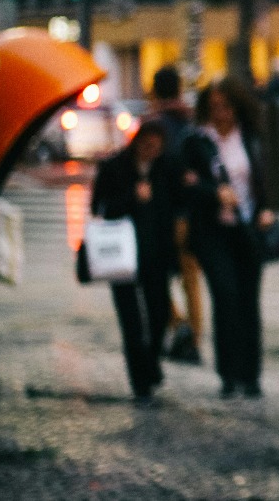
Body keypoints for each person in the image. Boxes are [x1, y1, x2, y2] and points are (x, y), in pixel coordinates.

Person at [181, 76, 274, 399]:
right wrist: (213, 192)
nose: (221, 113)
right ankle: (228, 374)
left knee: (249, 301)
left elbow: (266, 178)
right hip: (213, 232)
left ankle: (251, 376)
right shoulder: (198, 141)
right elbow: (187, 184)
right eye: (214, 106)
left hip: (248, 229)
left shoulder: (250, 137)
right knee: (225, 297)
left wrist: (267, 209)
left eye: (226, 106)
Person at [89, 120, 181, 404]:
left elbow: (174, 205)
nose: (151, 151)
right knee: (131, 321)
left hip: (156, 254)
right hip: (122, 254)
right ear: (138, 141)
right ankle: (140, 381)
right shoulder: (115, 166)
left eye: (157, 146)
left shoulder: (165, 168)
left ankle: (151, 363)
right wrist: (132, 198)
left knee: (159, 315)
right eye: (147, 145)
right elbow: (98, 207)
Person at [148, 65, 203, 364]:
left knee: (154, 275)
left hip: (163, 214)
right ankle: (193, 338)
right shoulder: (191, 122)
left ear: (155, 91)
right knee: (190, 278)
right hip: (191, 212)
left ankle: (179, 325)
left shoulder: (153, 127)